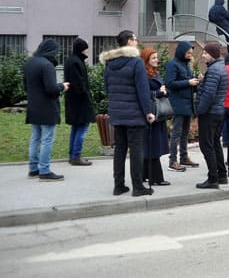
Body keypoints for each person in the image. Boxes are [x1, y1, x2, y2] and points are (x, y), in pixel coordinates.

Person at [101, 30, 154, 196]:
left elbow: (107, 88)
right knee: (136, 150)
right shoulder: (136, 62)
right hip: (134, 115)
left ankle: (119, 186)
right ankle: (138, 187)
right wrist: (149, 112)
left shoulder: (110, 63)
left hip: (117, 114)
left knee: (120, 150)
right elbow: (143, 90)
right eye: (135, 39)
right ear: (129, 41)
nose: (137, 42)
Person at [25, 39, 69, 181]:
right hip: (47, 108)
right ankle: (44, 171)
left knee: (35, 138)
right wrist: (62, 86)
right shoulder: (47, 65)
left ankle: (33, 169)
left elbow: (27, 86)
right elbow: (51, 89)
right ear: (51, 51)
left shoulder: (30, 63)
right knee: (47, 140)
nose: (57, 54)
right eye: (56, 52)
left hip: (33, 106)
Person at [195, 42, 229, 189]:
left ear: (213, 54)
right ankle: (222, 175)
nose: (203, 55)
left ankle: (213, 178)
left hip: (210, 113)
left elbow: (209, 94)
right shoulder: (220, 67)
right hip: (218, 111)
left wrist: (199, 110)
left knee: (207, 145)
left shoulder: (214, 70)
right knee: (215, 144)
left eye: (205, 53)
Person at [165, 41, 201, 172]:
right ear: (181, 51)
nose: (190, 55)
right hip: (178, 103)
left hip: (188, 103)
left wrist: (197, 81)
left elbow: (189, 83)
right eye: (188, 52)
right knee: (177, 133)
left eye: (191, 53)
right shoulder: (172, 64)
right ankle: (172, 160)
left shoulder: (187, 65)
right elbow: (170, 83)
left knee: (185, 132)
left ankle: (184, 157)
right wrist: (188, 82)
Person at [140, 48, 170, 186]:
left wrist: (163, 91)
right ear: (146, 60)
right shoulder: (143, 75)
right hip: (151, 113)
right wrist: (159, 92)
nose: (156, 60)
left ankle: (145, 174)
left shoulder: (154, 73)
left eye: (157, 57)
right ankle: (156, 178)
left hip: (157, 114)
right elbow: (144, 94)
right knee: (152, 145)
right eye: (153, 58)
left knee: (151, 144)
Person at [64, 37, 95, 166]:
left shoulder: (71, 60)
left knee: (76, 128)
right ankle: (76, 156)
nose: (87, 51)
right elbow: (79, 84)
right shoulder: (77, 62)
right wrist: (87, 96)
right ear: (81, 49)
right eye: (86, 48)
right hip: (80, 101)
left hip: (72, 100)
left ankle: (72, 155)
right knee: (82, 127)